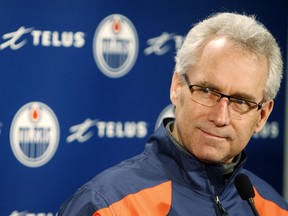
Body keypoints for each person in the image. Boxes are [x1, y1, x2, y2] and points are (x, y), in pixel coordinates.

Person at [59, 12, 288, 215]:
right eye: (207, 91)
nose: (220, 117)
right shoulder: (109, 206)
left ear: (262, 116)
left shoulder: (274, 209)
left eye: (240, 101)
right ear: (177, 86)